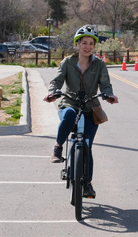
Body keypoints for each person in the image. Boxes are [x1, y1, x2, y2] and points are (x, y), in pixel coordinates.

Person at [44, 25, 119, 199]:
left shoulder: (99, 64)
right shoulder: (67, 62)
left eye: (91, 43)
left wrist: (109, 95)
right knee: (69, 115)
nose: (87, 46)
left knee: (87, 146)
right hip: (69, 103)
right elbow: (57, 81)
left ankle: (87, 184)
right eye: (84, 42)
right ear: (77, 44)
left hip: (90, 108)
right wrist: (52, 92)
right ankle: (58, 147)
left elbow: (105, 85)